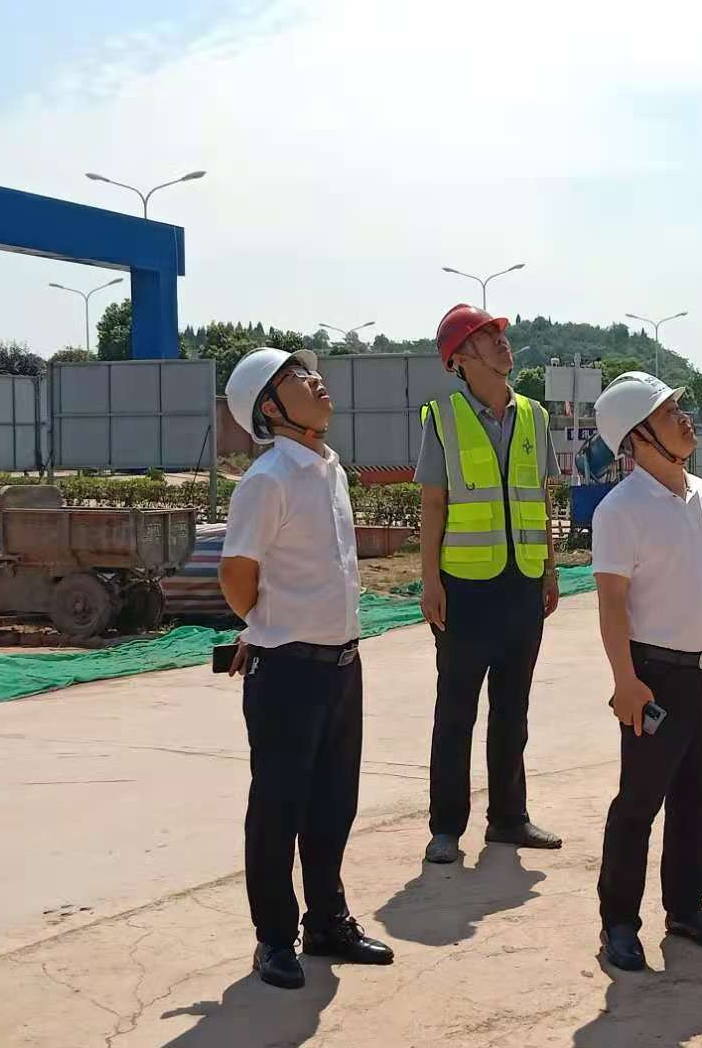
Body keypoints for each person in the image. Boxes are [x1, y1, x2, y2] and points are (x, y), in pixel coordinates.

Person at [220, 347, 395, 990]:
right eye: (297, 377)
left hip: (342, 663)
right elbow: (237, 575)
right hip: (288, 669)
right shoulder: (268, 479)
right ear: (269, 407)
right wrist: (268, 627)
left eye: (312, 372)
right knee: (278, 809)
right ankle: (274, 938)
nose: (316, 381)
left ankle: (327, 922)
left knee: (333, 804)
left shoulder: (330, 469)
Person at [589, 372, 702, 972]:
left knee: (698, 800)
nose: (686, 420)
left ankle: (686, 908)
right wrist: (624, 681)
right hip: (655, 677)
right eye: (669, 413)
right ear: (637, 437)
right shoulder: (619, 510)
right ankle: (619, 922)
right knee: (639, 804)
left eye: (680, 409)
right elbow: (611, 604)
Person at [418, 304, 564, 865]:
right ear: (460, 358)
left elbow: (541, 498)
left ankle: (508, 818)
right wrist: (430, 582)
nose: (503, 343)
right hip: (464, 588)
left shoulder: (534, 415)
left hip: (522, 583)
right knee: (455, 711)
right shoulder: (443, 418)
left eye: (500, 334)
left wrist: (549, 568)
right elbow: (434, 503)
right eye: (486, 336)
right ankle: (445, 828)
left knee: (512, 709)